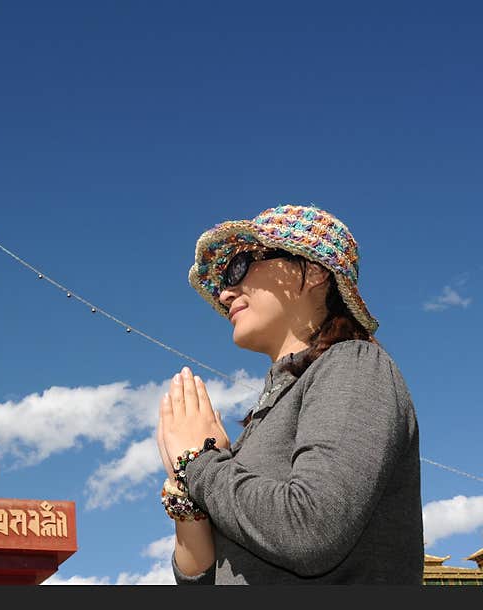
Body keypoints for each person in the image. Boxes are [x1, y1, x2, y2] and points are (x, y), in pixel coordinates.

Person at [157, 204, 422, 584]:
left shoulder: (355, 363)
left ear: (312, 270)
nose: (226, 293)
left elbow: (312, 528)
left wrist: (199, 463)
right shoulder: (259, 421)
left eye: (238, 267)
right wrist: (187, 495)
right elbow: (203, 580)